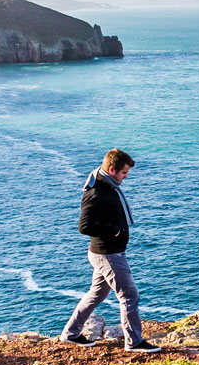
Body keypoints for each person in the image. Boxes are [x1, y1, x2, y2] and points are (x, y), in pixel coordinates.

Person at [61, 149, 158, 352]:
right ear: (112, 169)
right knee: (129, 295)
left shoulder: (105, 184)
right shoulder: (96, 192)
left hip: (107, 253)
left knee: (96, 294)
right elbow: (84, 226)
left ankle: (70, 334)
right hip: (108, 254)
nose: (126, 176)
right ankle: (134, 342)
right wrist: (113, 230)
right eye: (123, 172)